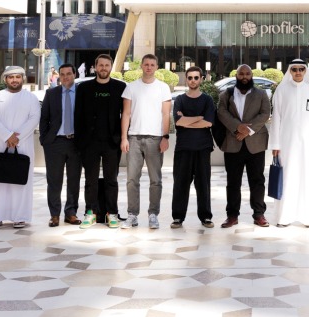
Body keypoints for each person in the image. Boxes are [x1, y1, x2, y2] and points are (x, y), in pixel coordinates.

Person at [269, 59, 309, 227]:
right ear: (290, 71)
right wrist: (275, 144)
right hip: (286, 143)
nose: (298, 72)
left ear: (305, 71)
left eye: (301, 69)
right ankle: (284, 217)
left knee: (307, 179)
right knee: (287, 178)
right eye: (295, 69)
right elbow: (276, 118)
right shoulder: (281, 90)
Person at [0, 66, 40, 228]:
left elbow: (35, 118)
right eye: (11, 77)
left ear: (23, 79)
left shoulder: (31, 98)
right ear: (5, 79)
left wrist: (16, 138)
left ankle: (20, 216)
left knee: (20, 179)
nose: (14, 80)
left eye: (18, 77)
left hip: (23, 144)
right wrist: (7, 136)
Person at [216, 64, 272, 228]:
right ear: (236, 76)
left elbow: (265, 114)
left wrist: (247, 130)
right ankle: (232, 216)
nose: (245, 76)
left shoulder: (261, 94)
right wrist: (237, 126)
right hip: (234, 143)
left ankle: (259, 214)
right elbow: (221, 113)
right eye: (241, 74)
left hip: (255, 143)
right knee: (233, 182)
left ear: (251, 76)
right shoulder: (226, 94)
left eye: (248, 74)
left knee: (257, 181)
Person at [121, 54, 172, 229]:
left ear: (156, 67)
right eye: (146, 64)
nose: (149, 67)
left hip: (155, 139)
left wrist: (165, 137)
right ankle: (132, 215)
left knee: (155, 180)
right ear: (141, 66)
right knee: (131, 179)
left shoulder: (163, 88)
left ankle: (153, 215)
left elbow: (166, 114)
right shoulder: (131, 87)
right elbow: (126, 114)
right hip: (134, 138)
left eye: (152, 64)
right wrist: (124, 138)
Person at [76, 54, 126, 229]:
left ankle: (112, 213)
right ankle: (90, 212)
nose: (104, 68)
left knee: (111, 179)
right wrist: (79, 140)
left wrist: (123, 138)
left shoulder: (120, 87)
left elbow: (125, 115)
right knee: (91, 179)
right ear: (95, 67)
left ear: (111, 67)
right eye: (101, 65)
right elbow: (78, 116)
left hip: (112, 142)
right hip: (90, 143)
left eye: (107, 65)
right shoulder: (84, 88)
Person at [170, 67, 216, 228]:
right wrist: (198, 118)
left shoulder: (208, 100)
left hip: (203, 148)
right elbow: (178, 122)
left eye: (196, 77)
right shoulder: (180, 100)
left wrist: (188, 120)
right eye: (190, 78)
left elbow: (208, 123)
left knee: (203, 184)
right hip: (183, 148)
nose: (193, 81)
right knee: (180, 184)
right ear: (186, 79)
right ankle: (177, 217)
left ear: (201, 79)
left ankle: (206, 217)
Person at [40, 64, 83, 227]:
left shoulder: (82, 92)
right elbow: (44, 118)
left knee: (74, 179)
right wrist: (44, 140)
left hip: (75, 143)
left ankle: (70, 213)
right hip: (54, 143)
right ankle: (54, 215)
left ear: (74, 74)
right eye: (62, 74)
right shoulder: (51, 93)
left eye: (69, 74)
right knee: (54, 180)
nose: (65, 77)